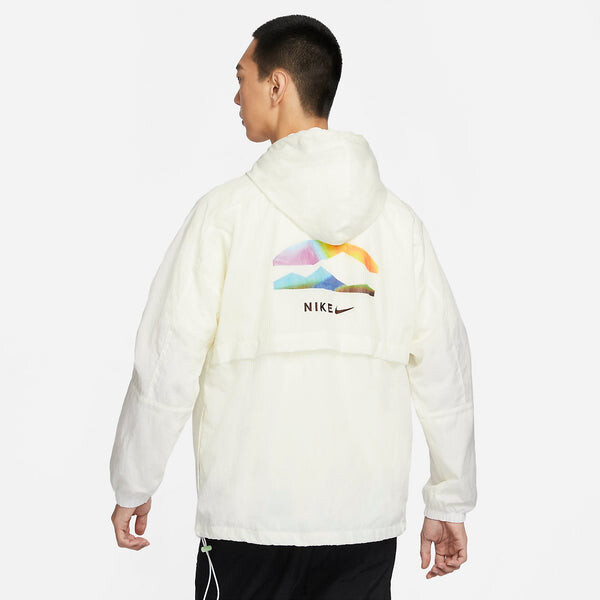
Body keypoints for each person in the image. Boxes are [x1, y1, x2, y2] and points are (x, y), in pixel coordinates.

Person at [109, 14, 477, 600]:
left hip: (247, 525)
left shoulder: (225, 216)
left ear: (277, 84)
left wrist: (134, 480)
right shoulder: (399, 227)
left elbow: (167, 359)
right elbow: (445, 371)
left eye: (242, 78)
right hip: (362, 525)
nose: (237, 96)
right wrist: (449, 499)